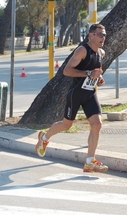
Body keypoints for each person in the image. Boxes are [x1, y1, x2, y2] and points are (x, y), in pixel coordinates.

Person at [35, 23, 108, 173]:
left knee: (97, 124)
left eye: (105, 35)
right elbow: (67, 71)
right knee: (66, 125)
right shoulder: (82, 50)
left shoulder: (101, 53)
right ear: (91, 35)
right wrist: (89, 74)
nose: (103, 38)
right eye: (100, 34)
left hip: (90, 93)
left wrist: (98, 79)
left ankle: (89, 162)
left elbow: (96, 73)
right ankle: (44, 137)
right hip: (76, 93)